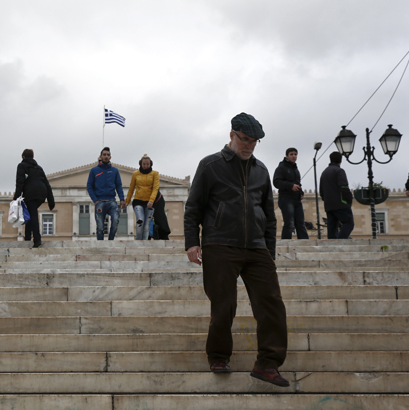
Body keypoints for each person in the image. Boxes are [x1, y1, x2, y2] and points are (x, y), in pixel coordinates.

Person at [184, 112, 289, 387]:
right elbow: (193, 207)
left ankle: (268, 364)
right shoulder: (210, 165)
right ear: (232, 135)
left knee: (272, 305)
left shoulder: (261, 170)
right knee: (224, 306)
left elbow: (268, 214)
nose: (249, 146)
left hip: (256, 248)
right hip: (219, 244)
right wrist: (192, 242)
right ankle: (218, 356)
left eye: (254, 142)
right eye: (244, 139)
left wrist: (270, 252)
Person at [13, 149, 55, 248]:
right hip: (42, 193)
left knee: (33, 214)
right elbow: (47, 184)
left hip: (31, 193)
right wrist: (51, 201)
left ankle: (37, 239)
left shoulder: (21, 166)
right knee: (31, 212)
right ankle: (27, 237)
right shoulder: (39, 168)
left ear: (23, 157)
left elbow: (20, 182)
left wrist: (16, 196)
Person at [87, 147, 126, 240]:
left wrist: (122, 199)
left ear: (110, 157)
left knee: (116, 221)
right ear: (100, 156)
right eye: (104, 155)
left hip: (112, 201)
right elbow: (89, 186)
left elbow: (119, 186)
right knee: (100, 227)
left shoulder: (115, 171)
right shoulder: (94, 170)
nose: (106, 156)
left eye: (108, 155)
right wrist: (95, 200)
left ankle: (110, 241)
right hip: (99, 201)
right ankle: (100, 245)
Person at [273, 147, 308, 239]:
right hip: (286, 199)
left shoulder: (296, 169)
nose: (294, 156)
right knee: (289, 223)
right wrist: (290, 186)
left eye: (295, 154)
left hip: (296, 200)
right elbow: (276, 182)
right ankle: (285, 242)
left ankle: (304, 242)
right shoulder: (281, 168)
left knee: (300, 223)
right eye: (291, 154)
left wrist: (301, 192)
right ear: (286, 156)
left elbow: (297, 183)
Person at [319, 151, 354, 239]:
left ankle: (332, 245)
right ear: (340, 160)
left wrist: (326, 200)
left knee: (332, 228)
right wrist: (348, 200)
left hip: (329, 205)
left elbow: (321, 191)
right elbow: (344, 187)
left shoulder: (324, 172)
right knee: (349, 223)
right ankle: (341, 240)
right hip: (340, 203)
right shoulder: (339, 171)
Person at [125, 154, 160, 240]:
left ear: (150, 164)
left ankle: (144, 243)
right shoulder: (135, 174)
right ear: (141, 164)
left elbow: (155, 188)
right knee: (140, 220)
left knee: (147, 224)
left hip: (150, 202)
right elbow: (131, 188)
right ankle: (138, 241)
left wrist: (151, 200)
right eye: (144, 164)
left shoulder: (155, 174)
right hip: (138, 201)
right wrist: (127, 201)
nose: (145, 166)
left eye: (147, 164)